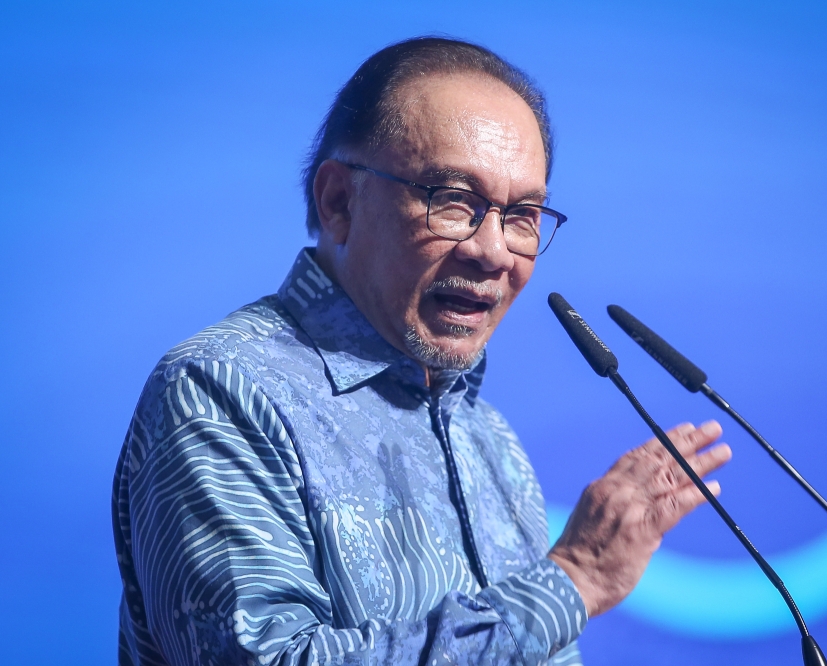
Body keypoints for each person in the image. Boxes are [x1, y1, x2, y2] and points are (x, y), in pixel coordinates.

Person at [112, 37, 732, 666]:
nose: (492, 251)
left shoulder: (489, 439)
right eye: (454, 199)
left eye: (522, 215)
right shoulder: (221, 391)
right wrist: (570, 581)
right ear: (339, 202)